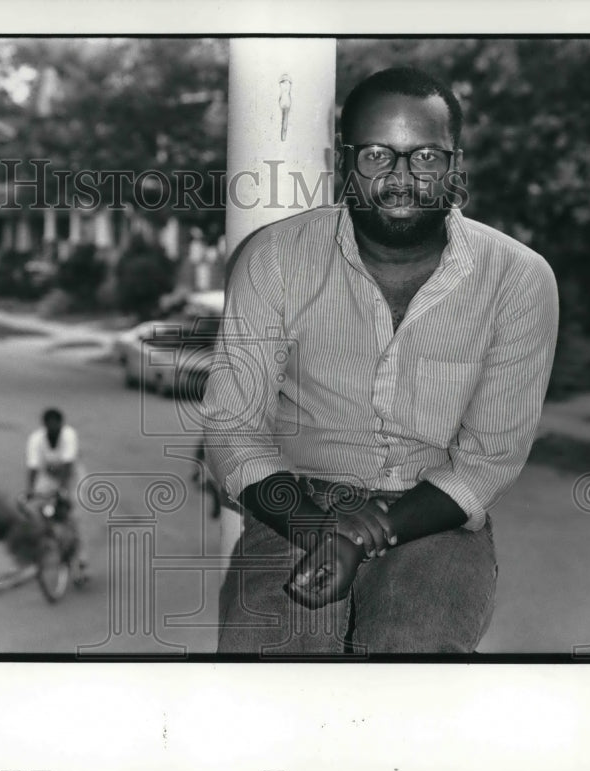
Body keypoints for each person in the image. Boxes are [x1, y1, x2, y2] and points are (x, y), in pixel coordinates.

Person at [201, 66, 559, 654]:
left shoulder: (518, 279)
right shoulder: (274, 260)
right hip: (293, 510)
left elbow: (488, 460)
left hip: (434, 516)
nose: (400, 178)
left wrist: (373, 530)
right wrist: (323, 531)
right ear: (343, 159)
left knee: (412, 668)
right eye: (376, 154)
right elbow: (234, 433)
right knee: (266, 684)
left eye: (425, 157)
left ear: (455, 163)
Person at [24, 407, 88, 574]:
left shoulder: (69, 436)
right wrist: (30, 491)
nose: (53, 428)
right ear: (44, 425)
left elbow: (68, 465)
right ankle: (49, 543)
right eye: (49, 425)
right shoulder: (36, 439)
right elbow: (33, 467)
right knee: (39, 508)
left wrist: (63, 490)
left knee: (73, 514)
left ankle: (80, 557)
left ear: (61, 424)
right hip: (49, 477)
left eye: (56, 425)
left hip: (72, 478)